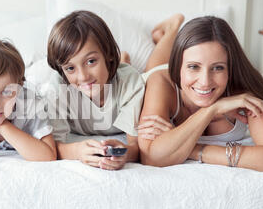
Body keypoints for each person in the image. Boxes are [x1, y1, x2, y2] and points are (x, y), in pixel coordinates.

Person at [138, 16, 263, 173]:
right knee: (154, 66)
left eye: (218, 68)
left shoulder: (242, 91)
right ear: (178, 66)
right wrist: (211, 110)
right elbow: (151, 158)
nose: (205, 82)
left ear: (230, 67)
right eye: (194, 66)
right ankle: (172, 29)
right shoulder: (161, 82)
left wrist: (194, 149)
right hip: (162, 73)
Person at [46, 10, 184, 170]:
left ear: (109, 54)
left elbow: (137, 146)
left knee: (153, 73)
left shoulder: (130, 83)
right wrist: (77, 150)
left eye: (91, 61)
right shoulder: (58, 86)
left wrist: (122, 152)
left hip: (125, 79)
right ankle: (122, 60)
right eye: (70, 68)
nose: (83, 76)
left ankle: (171, 29)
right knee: (121, 73)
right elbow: (51, 146)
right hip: (112, 75)